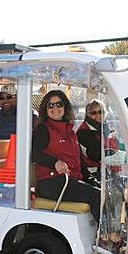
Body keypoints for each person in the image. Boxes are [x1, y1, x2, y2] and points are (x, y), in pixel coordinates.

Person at [31, 90, 101, 221]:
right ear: (45, 109)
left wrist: (93, 181)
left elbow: (80, 161)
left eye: (59, 104)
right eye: (50, 105)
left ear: (65, 107)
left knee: (104, 192)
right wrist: (55, 163)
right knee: (97, 196)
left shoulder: (70, 132)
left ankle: (111, 234)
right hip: (52, 182)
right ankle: (106, 237)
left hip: (70, 180)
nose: (55, 108)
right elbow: (34, 154)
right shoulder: (43, 129)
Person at [75, 99, 120, 184]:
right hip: (92, 174)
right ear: (87, 115)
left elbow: (117, 146)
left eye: (101, 112)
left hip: (108, 171)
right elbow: (95, 155)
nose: (98, 115)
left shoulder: (104, 128)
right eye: (93, 113)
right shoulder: (84, 132)